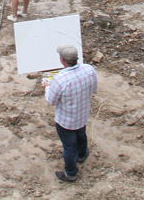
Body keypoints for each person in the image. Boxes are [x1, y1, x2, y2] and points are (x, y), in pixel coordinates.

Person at [44, 43, 97, 183]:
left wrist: (47, 87)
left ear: (62, 60)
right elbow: (94, 88)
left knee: (69, 146)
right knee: (81, 134)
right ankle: (82, 154)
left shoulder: (60, 80)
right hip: (83, 114)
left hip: (66, 121)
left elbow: (51, 101)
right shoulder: (89, 70)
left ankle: (71, 174)